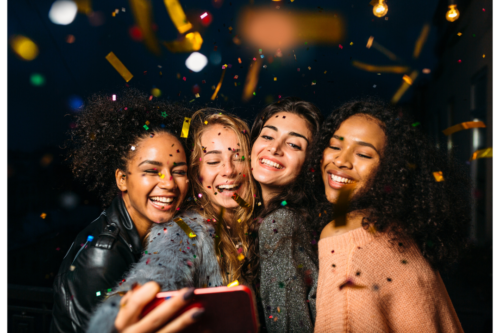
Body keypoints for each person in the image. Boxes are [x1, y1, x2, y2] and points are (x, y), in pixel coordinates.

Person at [86, 110, 257, 332]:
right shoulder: (186, 230)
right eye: (213, 160)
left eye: (238, 157)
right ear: (196, 174)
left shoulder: (258, 227)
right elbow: (158, 272)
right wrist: (116, 322)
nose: (229, 170)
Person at [312, 99, 468, 332]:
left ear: (391, 170)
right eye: (334, 146)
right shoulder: (395, 228)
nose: (341, 161)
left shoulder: (345, 242)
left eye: (364, 155)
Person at [50, 89, 194, 333]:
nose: (169, 183)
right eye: (151, 170)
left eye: (179, 171)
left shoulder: (167, 233)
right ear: (122, 179)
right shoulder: (103, 257)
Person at [242, 97, 324, 332]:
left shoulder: (280, 224)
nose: (274, 148)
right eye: (267, 136)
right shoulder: (273, 216)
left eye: (294, 145)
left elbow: (289, 324)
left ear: (310, 163)